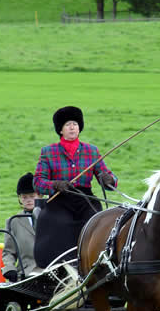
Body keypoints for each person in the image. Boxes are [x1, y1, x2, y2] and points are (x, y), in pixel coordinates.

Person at [33, 105, 117, 268]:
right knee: (59, 223)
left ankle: (99, 262)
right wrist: (55, 185)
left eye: (75, 124)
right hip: (59, 200)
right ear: (60, 130)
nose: (72, 127)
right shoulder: (48, 152)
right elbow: (38, 182)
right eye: (67, 125)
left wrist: (109, 180)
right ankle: (62, 266)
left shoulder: (91, 151)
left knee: (97, 222)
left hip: (86, 200)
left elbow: (106, 175)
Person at [2, 172, 44, 282]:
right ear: (20, 198)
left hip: (50, 269)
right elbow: (8, 251)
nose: (28, 200)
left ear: (40, 196)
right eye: (24, 197)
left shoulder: (51, 217)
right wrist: (10, 268)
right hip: (26, 273)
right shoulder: (13, 221)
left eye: (32, 196)